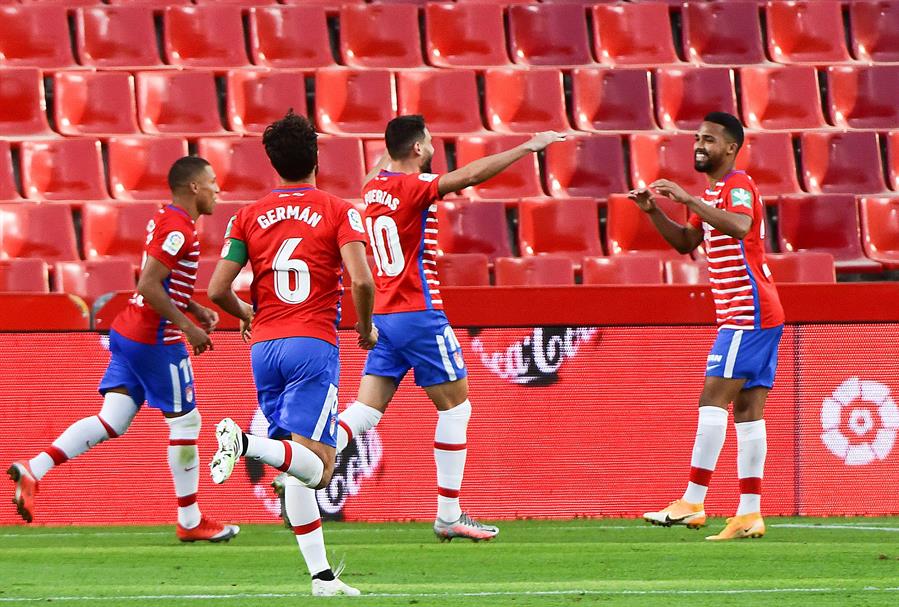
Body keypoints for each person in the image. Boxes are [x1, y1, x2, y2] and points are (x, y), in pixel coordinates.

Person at [332, 115, 565, 541]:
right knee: (456, 409)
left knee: (364, 412)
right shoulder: (414, 188)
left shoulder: (372, 188)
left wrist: (394, 142)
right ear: (418, 149)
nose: (434, 144)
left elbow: (384, 161)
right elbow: (472, 174)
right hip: (419, 314)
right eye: (429, 140)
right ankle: (448, 514)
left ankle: (305, 459)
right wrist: (529, 146)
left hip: (384, 316)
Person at [8, 157, 239, 543]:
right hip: (156, 340)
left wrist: (194, 306)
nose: (219, 190)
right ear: (194, 188)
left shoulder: (165, 219)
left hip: (129, 330)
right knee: (187, 424)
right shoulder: (181, 230)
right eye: (213, 182)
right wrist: (187, 326)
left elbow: (160, 282)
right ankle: (190, 519)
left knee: (112, 420)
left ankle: (35, 467)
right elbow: (150, 284)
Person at [207, 111, 376, 597]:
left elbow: (217, 290)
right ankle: (245, 445)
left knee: (296, 467)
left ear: (272, 163)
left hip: (264, 347)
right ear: (316, 157)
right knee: (320, 469)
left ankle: (322, 579)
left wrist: (247, 314)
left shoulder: (247, 214)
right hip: (312, 345)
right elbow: (362, 279)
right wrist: (364, 329)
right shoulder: (339, 209)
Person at [633, 112, 784, 541]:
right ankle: (750, 513)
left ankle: (693, 501)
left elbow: (740, 225)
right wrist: (653, 211)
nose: (699, 145)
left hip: (747, 311)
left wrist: (688, 199)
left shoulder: (737, 185)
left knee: (712, 400)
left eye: (709, 140)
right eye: (697, 138)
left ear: (731, 148)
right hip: (755, 312)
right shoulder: (714, 191)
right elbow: (686, 242)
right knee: (747, 412)